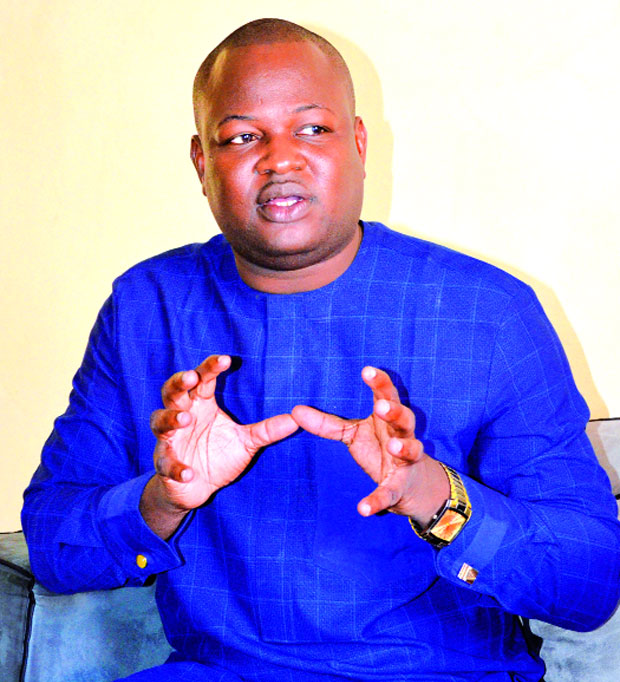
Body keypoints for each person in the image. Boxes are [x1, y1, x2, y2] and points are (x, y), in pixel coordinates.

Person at [22, 18, 620, 682]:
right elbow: (51, 543)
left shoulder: (488, 312)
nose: (280, 159)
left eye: (312, 128)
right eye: (242, 136)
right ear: (201, 163)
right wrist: (164, 498)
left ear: (358, 143)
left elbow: (590, 583)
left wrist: (430, 493)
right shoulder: (146, 306)